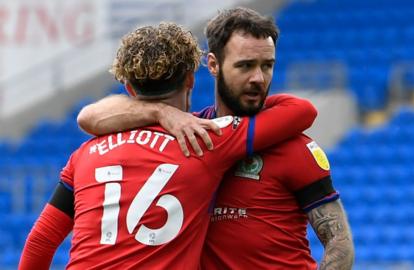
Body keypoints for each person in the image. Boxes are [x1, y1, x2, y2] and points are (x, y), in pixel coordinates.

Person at [19, 22, 317, 269]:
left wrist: (153, 111)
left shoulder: (85, 155)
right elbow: (301, 111)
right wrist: (162, 112)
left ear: (129, 89)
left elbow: (40, 242)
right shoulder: (206, 140)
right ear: (190, 80)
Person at [77, 7, 354, 270]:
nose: (258, 78)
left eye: (267, 65)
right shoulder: (189, 136)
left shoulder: (294, 146)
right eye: (245, 66)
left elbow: (338, 241)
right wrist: (159, 111)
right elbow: (90, 116)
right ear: (213, 65)